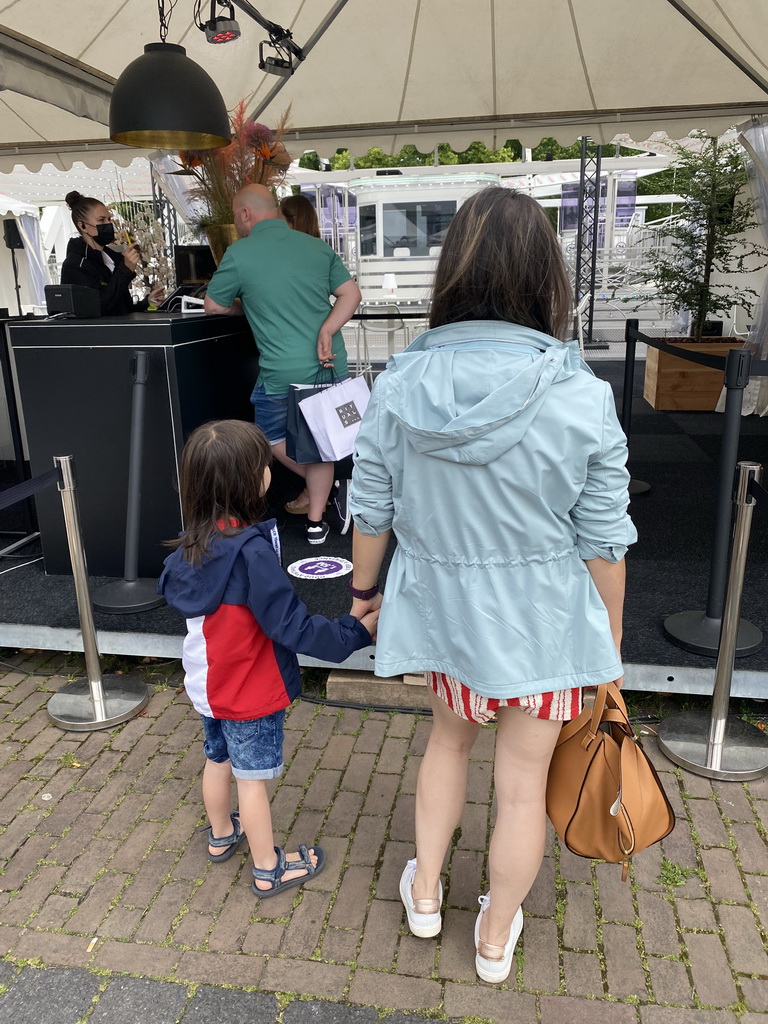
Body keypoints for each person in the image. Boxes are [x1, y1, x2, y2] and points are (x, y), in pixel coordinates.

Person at [347, 187, 637, 982]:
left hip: (444, 619)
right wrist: (606, 647)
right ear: (546, 275)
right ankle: (494, 938)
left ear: (453, 272)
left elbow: (369, 508)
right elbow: (604, 540)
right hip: (546, 627)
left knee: (446, 743)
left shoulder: (399, 386)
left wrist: (363, 595)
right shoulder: (581, 395)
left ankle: (428, 894)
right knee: (521, 788)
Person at [158, 419, 378, 897]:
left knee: (217, 759)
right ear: (251, 480)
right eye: (262, 466)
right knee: (251, 780)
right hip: (249, 691)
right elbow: (291, 625)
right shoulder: (251, 553)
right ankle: (268, 867)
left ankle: (220, 836)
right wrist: (352, 632)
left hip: (207, 686)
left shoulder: (189, 546)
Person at [204, 184, 362, 545]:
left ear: (246, 214)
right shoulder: (315, 246)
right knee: (322, 442)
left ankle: (325, 492)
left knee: (267, 437)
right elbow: (351, 293)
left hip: (281, 373)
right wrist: (327, 327)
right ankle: (317, 520)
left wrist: (247, 306)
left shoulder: (240, 253)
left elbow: (213, 305)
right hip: (331, 367)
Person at [61, 191, 164, 315]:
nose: (108, 224)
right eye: (101, 220)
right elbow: (99, 307)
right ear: (83, 226)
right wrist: (125, 270)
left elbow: (122, 308)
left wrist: (147, 302)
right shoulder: (76, 264)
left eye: (109, 219)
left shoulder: (112, 258)